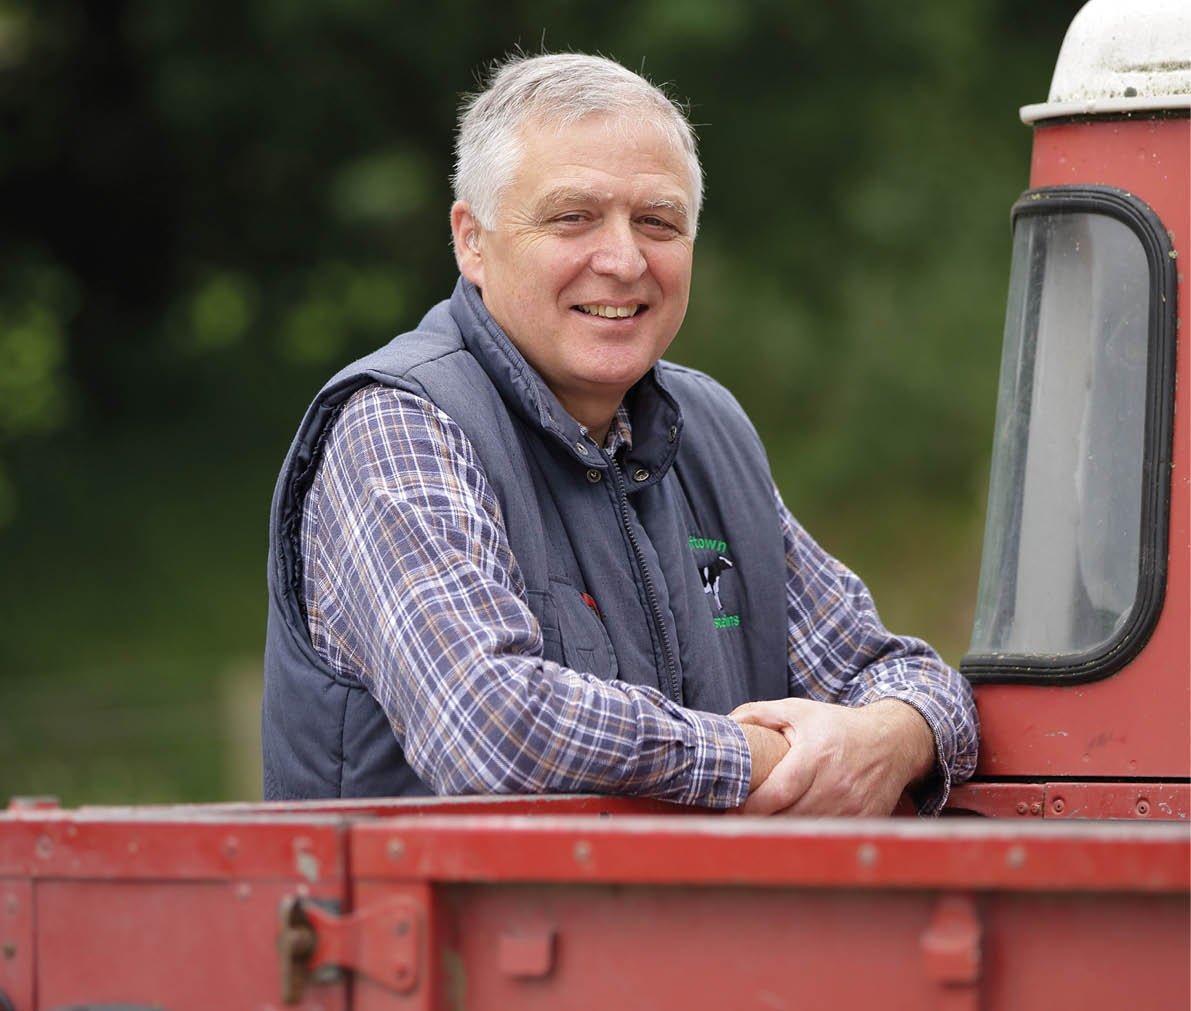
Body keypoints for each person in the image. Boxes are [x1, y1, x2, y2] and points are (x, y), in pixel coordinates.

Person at [261, 52, 978, 815]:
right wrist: (771, 756)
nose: (624, 259)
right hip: (444, 934)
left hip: (689, 932)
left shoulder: (708, 434)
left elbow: (893, 670)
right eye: (573, 216)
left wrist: (891, 738)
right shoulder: (399, 425)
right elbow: (492, 726)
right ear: (473, 241)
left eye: (657, 222)